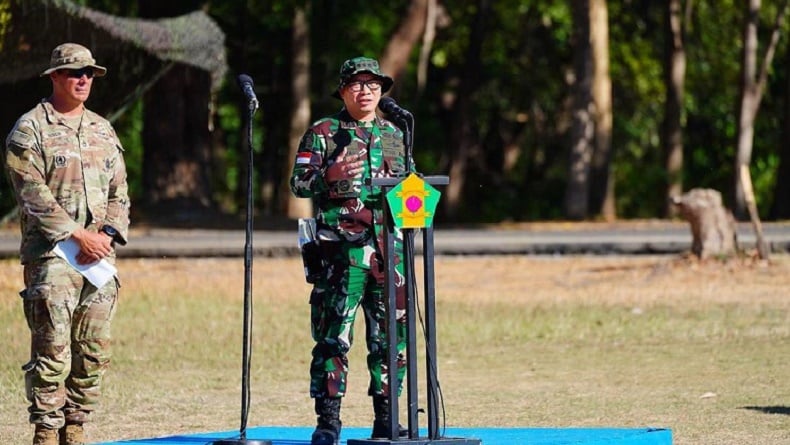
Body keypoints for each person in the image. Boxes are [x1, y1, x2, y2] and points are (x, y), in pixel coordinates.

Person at [4, 42, 130, 445]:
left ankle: (75, 426)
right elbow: (32, 193)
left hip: (98, 260)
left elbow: (120, 192)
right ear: (54, 76)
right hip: (53, 257)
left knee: (93, 349)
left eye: (89, 73)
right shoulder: (30, 128)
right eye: (75, 72)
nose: (83, 79)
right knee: (52, 349)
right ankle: (46, 429)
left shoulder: (102, 128)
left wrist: (107, 235)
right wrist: (79, 236)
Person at [290, 56, 413, 445]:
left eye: (373, 85)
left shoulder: (395, 132)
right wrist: (330, 174)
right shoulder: (324, 132)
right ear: (343, 90)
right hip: (341, 257)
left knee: (390, 339)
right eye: (358, 85)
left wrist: (420, 197)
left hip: (388, 254)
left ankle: (387, 419)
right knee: (334, 339)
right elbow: (299, 183)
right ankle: (328, 422)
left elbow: (411, 188)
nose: (366, 91)